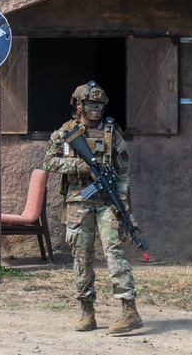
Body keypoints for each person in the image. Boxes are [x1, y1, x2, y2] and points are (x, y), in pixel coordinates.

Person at [42, 81, 143, 336]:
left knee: (114, 252)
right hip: (78, 201)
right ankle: (87, 312)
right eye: (90, 104)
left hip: (108, 203)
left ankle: (129, 310)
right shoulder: (66, 132)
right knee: (81, 257)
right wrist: (78, 167)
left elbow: (123, 172)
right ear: (78, 105)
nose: (96, 108)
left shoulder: (112, 133)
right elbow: (48, 162)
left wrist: (123, 205)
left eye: (100, 104)